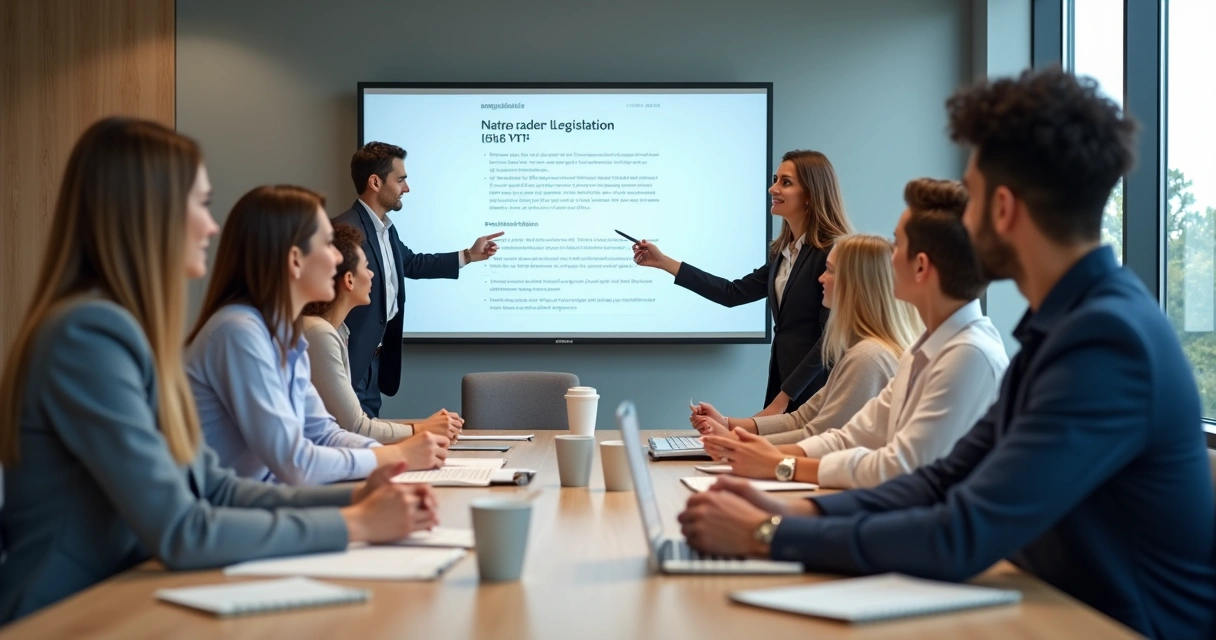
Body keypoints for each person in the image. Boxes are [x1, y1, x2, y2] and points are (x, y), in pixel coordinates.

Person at [676, 68, 1216, 639]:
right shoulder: (1063, 330)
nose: (962, 217)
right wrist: (789, 510)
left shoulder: (1107, 343)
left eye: (973, 196)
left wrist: (768, 536)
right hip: (1047, 605)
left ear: (1002, 209)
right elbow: (942, 480)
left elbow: (963, 531)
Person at [0, 118, 439, 623]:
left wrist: (359, 495)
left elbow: (215, 488)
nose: (212, 226)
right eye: (201, 205)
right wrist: (355, 524)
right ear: (149, 212)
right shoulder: (89, 334)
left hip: (124, 592)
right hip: (68, 611)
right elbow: (183, 530)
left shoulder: (122, 329)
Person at [698, 179, 1008, 489]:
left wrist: (780, 464)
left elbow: (898, 466)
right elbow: (853, 436)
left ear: (921, 267)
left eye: (897, 245)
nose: (889, 257)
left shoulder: (968, 354)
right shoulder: (923, 349)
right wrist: (758, 452)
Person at [187, 185, 449, 486]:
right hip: (241, 517)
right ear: (296, 260)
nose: (339, 260)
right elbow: (295, 462)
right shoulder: (238, 332)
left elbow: (325, 433)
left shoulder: (286, 333)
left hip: (274, 506)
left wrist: (401, 453)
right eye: (327, 244)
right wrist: (397, 456)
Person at [632, 150, 854, 414]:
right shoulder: (783, 253)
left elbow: (830, 339)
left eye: (786, 182)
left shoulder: (832, 254)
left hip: (815, 387)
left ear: (810, 194)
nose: (773, 188)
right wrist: (664, 262)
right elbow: (732, 293)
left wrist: (784, 398)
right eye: (775, 179)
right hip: (783, 381)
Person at [692, 234, 921, 447]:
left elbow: (817, 436)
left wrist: (735, 442)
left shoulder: (867, 358)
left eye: (829, 270)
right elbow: (801, 419)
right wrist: (727, 423)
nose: (820, 277)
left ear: (855, 284)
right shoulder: (859, 351)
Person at [334, 142, 505, 417]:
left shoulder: (386, 229)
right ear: (375, 182)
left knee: (368, 439)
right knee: (351, 443)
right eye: (400, 179)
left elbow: (411, 263)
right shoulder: (344, 230)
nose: (407, 188)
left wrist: (469, 255)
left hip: (375, 363)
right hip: (348, 361)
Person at [302, 223, 463, 443]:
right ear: (349, 280)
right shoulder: (320, 334)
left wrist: (424, 426)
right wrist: (421, 429)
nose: (372, 275)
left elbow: (356, 423)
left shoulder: (337, 330)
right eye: (367, 268)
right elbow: (355, 427)